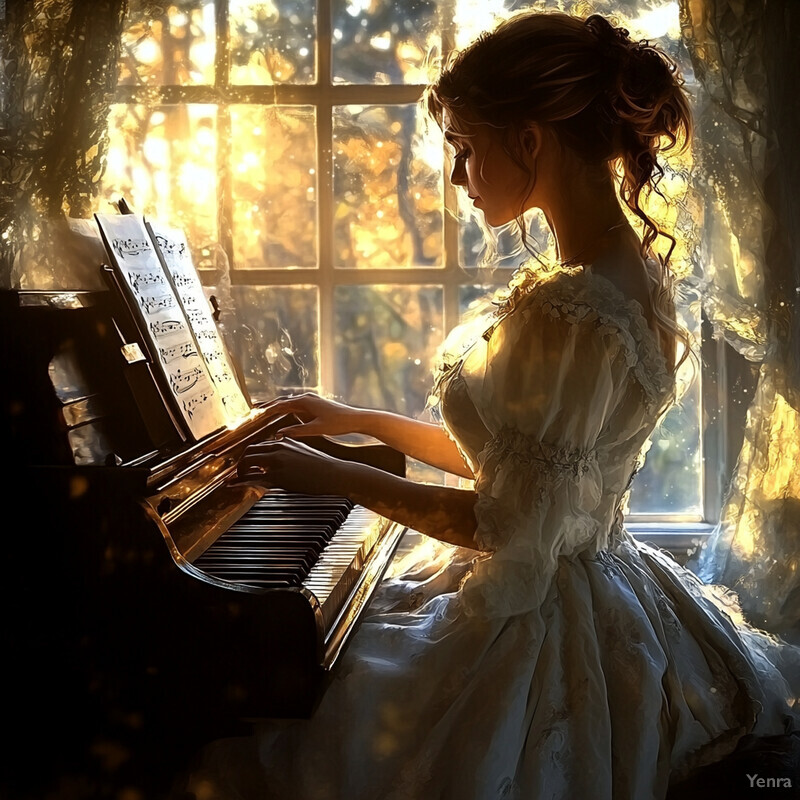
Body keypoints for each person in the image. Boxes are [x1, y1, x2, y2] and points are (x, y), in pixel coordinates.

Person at [178, 11, 799, 799]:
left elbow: (501, 526)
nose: (457, 177)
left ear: (530, 140)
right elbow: (518, 466)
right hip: (599, 583)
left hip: (541, 623)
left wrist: (333, 476)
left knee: (273, 734)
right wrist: (356, 421)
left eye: (466, 150)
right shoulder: (625, 274)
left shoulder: (573, 309)